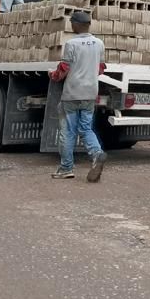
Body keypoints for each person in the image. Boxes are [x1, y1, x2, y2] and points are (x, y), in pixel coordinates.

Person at [48, 10, 107, 182]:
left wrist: (52, 75)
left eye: (72, 23)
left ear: (76, 24)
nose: (71, 25)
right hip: (90, 93)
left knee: (68, 131)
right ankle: (97, 154)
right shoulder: (99, 43)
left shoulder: (71, 44)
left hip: (72, 94)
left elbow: (64, 69)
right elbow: (101, 67)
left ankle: (66, 168)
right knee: (86, 128)